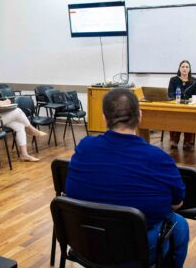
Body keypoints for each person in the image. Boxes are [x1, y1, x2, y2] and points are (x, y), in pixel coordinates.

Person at [66, 88, 189, 267]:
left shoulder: (84, 146)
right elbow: (177, 204)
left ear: (104, 118)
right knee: (179, 225)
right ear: (140, 116)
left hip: (85, 242)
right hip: (133, 251)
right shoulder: (158, 158)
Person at [0, 69, 46, 162]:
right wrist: (3, 102)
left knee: (20, 125)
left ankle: (24, 155)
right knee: (17, 111)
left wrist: (5, 105)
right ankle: (31, 128)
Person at [167, 60, 196, 150]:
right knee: (174, 116)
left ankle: (188, 141)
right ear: (179, 68)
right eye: (183, 67)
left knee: (189, 116)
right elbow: (170, 94)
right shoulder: (173, 80)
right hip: (176, 106)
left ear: (189, 69)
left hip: (190, 107)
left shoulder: (194, 81)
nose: (184, 69)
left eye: (187, 67)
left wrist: (193, 99)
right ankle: (174, 139)